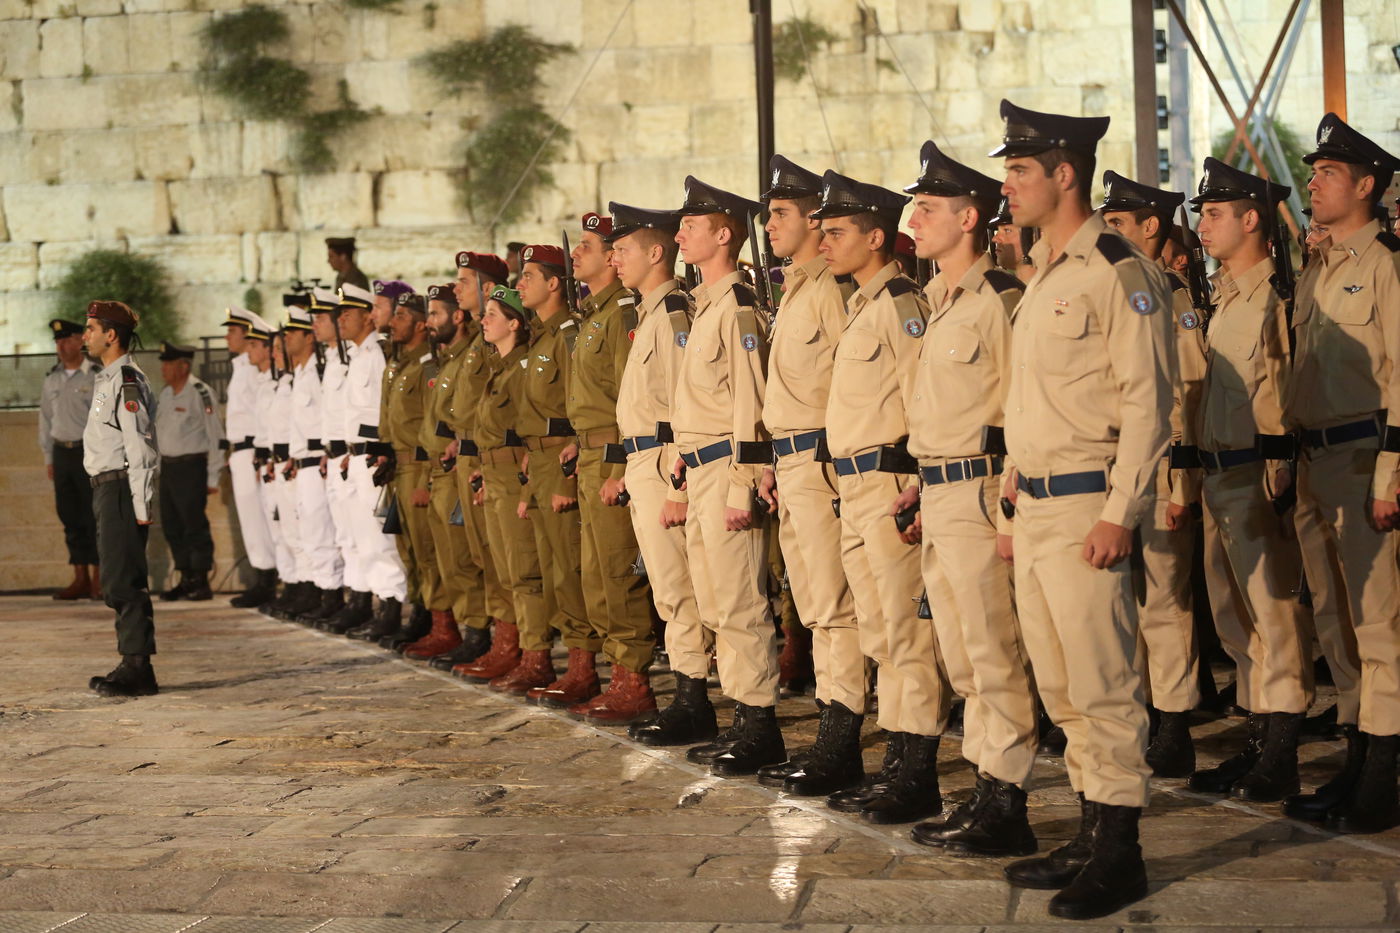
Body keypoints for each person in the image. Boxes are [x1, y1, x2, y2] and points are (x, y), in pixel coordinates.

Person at [992, 99, 1173, 920]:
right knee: (1061, 686)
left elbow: (1149, 403)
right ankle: (1093, 828)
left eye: (1021, 169)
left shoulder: (1116, 268)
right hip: (1036, 506)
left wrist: (1121, 513)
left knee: (1103, 684)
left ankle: (1122, 852)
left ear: (1064, 173)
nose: (1009, 184)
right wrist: (1012, 476)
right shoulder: (1045, 273)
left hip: (1086, 508)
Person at [898, 140, 1040, 854]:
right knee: (958, 652)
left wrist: (1013, 507)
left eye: (926, 209)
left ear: (970, 216)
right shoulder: (938, 301)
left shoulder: (1001, 299)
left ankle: (1007, 799)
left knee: (993, 650)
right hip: (940, 492)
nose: (913, 221)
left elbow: (1022, 410)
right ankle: (986, 785)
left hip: (984, 491)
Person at [816, 168, 947, 825]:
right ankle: (895, 765)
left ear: (876, 237)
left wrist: (919, 484)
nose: (825, 243)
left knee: (906, 631)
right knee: (880, 631)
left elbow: (923, 399)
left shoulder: (900, 305)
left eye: (837, 232)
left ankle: (915, 771)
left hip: (891, 482)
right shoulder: (861, 305)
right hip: (854, 484)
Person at [1283, 114, 1400, 834]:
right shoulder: (1320, 267)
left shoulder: (1385, 264)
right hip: (1314, 462)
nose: (1314, 181)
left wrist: (1392, 470)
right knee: (1337, 626)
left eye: (1328, 172)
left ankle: (1383, 777)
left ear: (1365, 185)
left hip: (1363, 462)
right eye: (1313, 171)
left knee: (1379, 625)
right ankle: (1357, 760)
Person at [1188, 157, 1315, 804]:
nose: (1201, 224)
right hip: (1215, 474)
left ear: (1251, 219)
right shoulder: (1217, 299)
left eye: (1213, 213)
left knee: (1276, 615)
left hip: (1255, 475)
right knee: (1233, 618)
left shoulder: (1277, 299)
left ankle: (1283, 748)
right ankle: (1258, 734)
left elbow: (1285, 392)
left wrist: (1282, 470)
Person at [752, 155, 866, 796]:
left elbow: (851, 388)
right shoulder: (797, 286)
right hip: (792, 459)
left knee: (833, 603)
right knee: (815, 604)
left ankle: (841, 733)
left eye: (781, 214)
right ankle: (833, 723)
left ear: (815, 220)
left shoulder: (831, 288)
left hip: (823, 460)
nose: (770, 224)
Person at [670, 177, 782, 776]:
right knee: (716, 601)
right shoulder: (704, 305)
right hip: (701, 465)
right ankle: (742, 714)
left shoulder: (737, 306)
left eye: (694, 223)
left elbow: (750, 402)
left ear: (724, 234)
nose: (680, 231)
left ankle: (758, 721)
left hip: (727, 469)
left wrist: (743, 481)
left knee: (740, 601)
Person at [1099, 170, 1209, 778]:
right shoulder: (1112, 287)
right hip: (1115, 471)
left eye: (1118, 223)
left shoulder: (1168, 292)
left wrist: (1179, 484)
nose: (1106, 232)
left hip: (1162, 469)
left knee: (1165, 604)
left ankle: (1174, 723)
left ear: (1150, 228)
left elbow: (1185, 394)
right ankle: (1137, 711)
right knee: (1121, 603)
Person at [605, 202, 716, 744]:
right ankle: (687, 692)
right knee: (668, 589)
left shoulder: (673, 314)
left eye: (622, 249)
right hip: (644, 460)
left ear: (655, 252)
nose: (613, 258)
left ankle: (694, 698)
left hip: (666, 459)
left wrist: (677, 482)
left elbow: (681, 408)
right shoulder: (649, 312)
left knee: (679, 587)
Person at [557, 213, 658, 719]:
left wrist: (617, 464)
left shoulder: (620, 314)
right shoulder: (593, 317)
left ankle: (634, 680)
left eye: (589, 246)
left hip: (614, 455)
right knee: (595, 574)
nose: (578, 254)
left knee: (618, 572)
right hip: (591, 452)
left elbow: (629, 396)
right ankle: (618, 673)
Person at [500, 244, 596, 697]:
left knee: (569, 571)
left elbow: (577, 411)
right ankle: (567, 661)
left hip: (562, 460)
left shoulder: (569, 334)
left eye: (528, 277)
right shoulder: (540, 335)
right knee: (547, 568)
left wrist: (561, 477)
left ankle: (584, 665)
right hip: (537, 461)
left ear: (554, 283)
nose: (519, 285)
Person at [456, 287, 550, 687]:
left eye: (492, 314)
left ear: (514, 323)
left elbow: (529, 426)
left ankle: (536, 655)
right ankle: (509, 646)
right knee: (502, 569)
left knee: (525, 571)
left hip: (514, 475)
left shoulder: (523, 366)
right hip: (493, 475)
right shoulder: (500, 367)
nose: (484, 320)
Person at [440, 251, 516, 673]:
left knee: (505, 559)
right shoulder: (472, 341)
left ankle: (514, 644)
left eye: (464, 280)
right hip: (471, 453)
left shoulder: (491, 338)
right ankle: (497, 639)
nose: (457, 288)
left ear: (488, 287)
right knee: (482, 555)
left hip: (495, 455)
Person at [81, 300, 160, 698]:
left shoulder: (127, 380)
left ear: (111, 335)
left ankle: (138, 667)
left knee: (123, 580)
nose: (86, 336)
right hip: (105, 488)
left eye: (91, 328)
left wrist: (141, 508)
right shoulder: (108, 378)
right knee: (115, 580)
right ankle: (130, 660)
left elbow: (140, 448)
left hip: (120, 490)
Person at [335, 283, 410, 640]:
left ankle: (392, 606)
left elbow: (385, 407)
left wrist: (382, 447)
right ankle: (377, 604)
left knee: (379, 539)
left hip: (373, 452)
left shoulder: (377, 352)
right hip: (357, 454)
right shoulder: (358, 355)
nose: (341, 319)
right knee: (362, 537)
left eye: (348, 313)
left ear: (367, 316)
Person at [379, 292, 441, 652]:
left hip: (418, 464)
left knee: (426, 550)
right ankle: (420, 609)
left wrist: (424, 475)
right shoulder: (399, 364)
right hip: (398, 464)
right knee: (409, 550)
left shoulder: (428, 365)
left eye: (400, 316)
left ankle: (433, 617)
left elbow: (430, 421)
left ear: (420, 324)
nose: (392, 322)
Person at [154, 342, 224, 601]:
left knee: (194, 526)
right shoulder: (165, 394)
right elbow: (160, 433)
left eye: (168, 363)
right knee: (172, 526)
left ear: (183, 366)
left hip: (192, 467)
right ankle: (185, 577)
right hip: (170, 468)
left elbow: (216, 435)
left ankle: (201, 579)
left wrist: (213, 475)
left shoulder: (200, 393)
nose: (163, 368)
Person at [39, 318, 99, 600]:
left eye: (66, 340)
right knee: (70, 516)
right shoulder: (52, 378)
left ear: (81, 341)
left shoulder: (96, 376)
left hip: (87, 453)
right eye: (57, 341)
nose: (61, 346)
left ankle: (100, 578)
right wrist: (49, 458)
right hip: (62, 453)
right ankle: (80, 578)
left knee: (93, 516)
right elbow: (45, 420)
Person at [223, 308, 279, 608]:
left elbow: (260, 414)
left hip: (253, 450)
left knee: (261, 518)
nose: (227, 337)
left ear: (248, 334)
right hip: (241, 451)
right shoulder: (240, 366)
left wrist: (261, 453)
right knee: (251, 518)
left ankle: (267, 579)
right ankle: (263, 575)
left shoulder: (254, 367)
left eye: (232, 331)